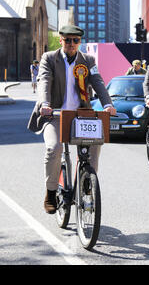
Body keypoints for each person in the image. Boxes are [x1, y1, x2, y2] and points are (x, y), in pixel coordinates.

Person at [27, 25, 116, 214]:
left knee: (94, 145)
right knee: (54, 148)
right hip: (54, 114)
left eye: (75, 40)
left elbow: (98, 82)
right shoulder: (49, 58)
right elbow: (44, 80)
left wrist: (107, 104)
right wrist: (45, 104)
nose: (71, 44)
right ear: (61, 40)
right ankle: (51, 192)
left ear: (80, 42)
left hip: (81, 115)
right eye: (67, 40)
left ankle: (86, 182)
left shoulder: (88, 60)